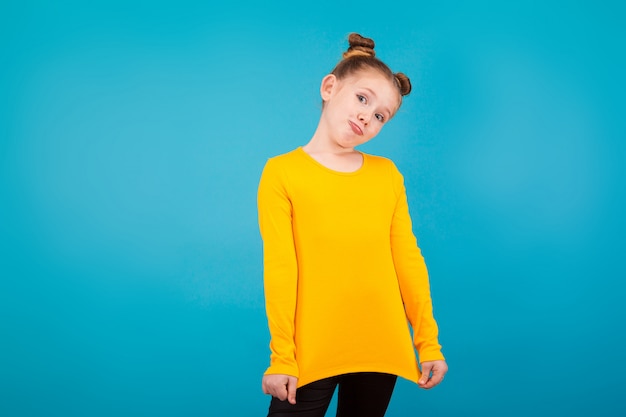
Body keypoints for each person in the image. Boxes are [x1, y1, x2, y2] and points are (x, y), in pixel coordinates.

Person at [257, 33, 448, 417]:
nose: (367, 116)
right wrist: (282, 356)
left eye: (381, 116)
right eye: (363, 98)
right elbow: (281, 267)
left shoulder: (387, 175)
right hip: (311, 350)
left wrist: (429, 343)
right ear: (330, 87)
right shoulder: (282, 173)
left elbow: (407, 261)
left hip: (380, 347)